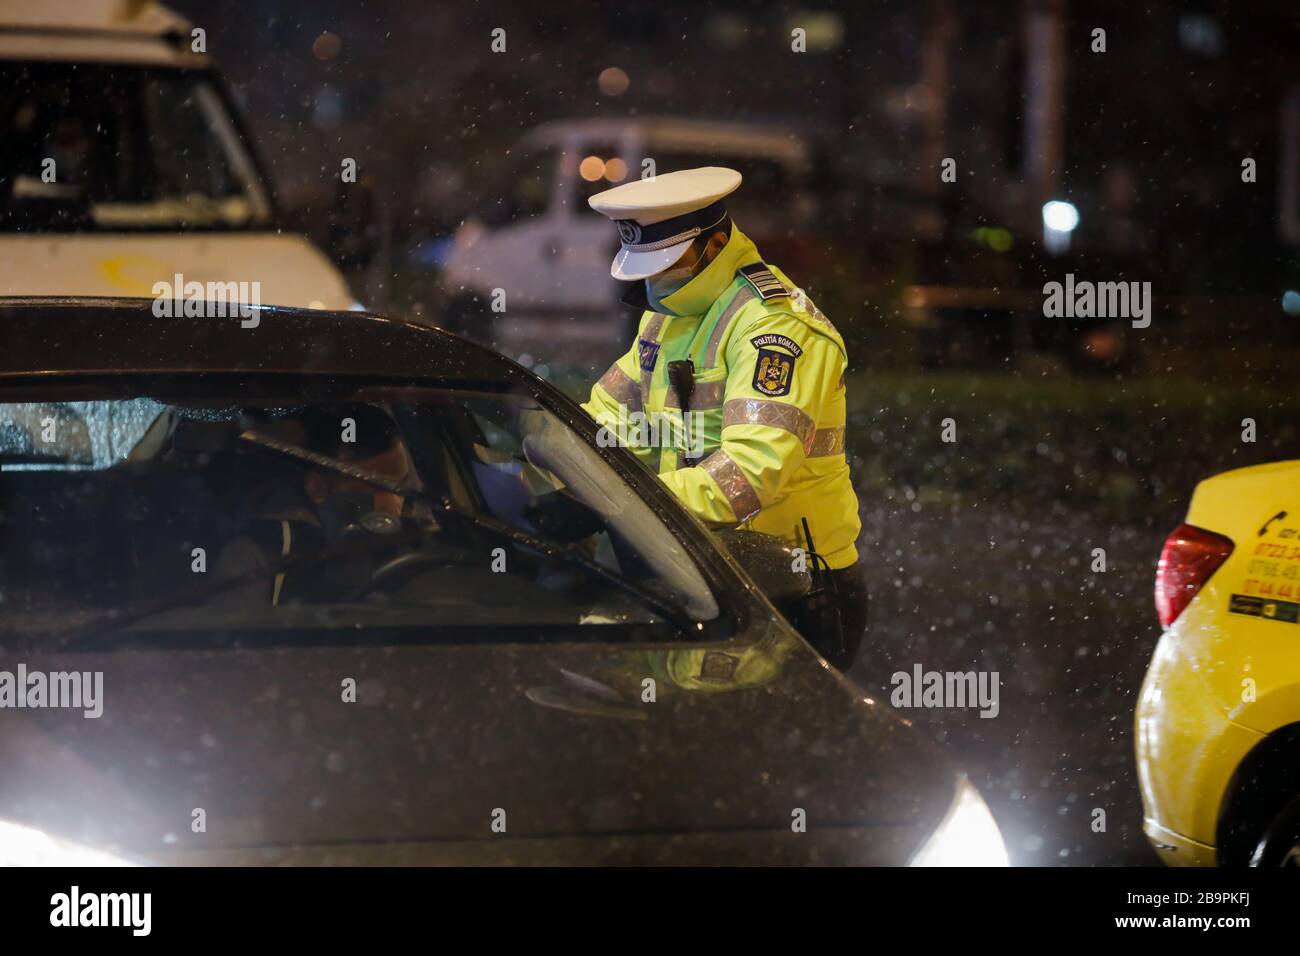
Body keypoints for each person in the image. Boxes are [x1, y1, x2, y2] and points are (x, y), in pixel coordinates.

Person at [581, 167, 866, 670]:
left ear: (713, 245)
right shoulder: (668, 312)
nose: (652, 280)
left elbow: (751, 474)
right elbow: (608, 424)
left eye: (664, 264)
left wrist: (626, 502)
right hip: (702, 567)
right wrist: (552, 470)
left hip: (792, 587)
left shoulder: (775, 325)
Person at [213, 405, 417, 607]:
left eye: (400, 488)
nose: (393, 507)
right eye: (376, 488)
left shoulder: (415, 548)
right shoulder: (255, 557)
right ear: (316, 488)